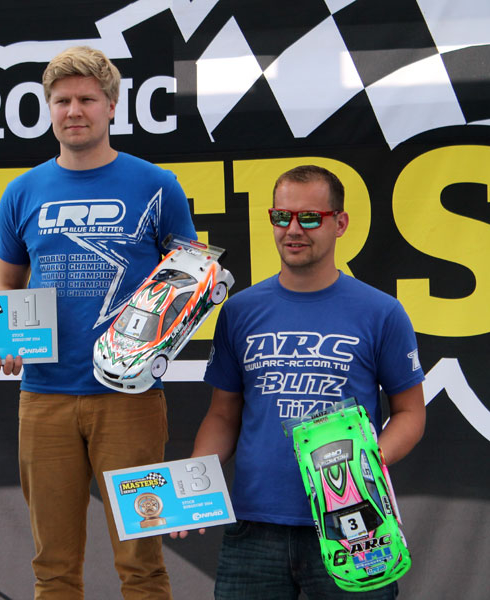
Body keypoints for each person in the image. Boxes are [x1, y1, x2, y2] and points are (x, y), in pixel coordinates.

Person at [0, 46, 197, 599]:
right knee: (53, 567)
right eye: (62, 101)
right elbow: (7, 283)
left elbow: (192, 279)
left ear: (111, 106)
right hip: (44, 396)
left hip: (131, 397)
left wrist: (155, 340)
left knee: (142, 562)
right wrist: (5, 336)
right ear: (49, 108)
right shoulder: (22, 192)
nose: (74, 110)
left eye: (86, 99)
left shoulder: (157, 185)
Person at [174, 165, 425, 599]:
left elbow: (410, 414)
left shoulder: (382, 312)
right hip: (255, 527)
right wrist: (195, 479)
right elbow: (223, 415)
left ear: (340, 223)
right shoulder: (239, 311)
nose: (293, 229)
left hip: (356, 523)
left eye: (310, 218)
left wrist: (364, 466)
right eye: (281, 216)